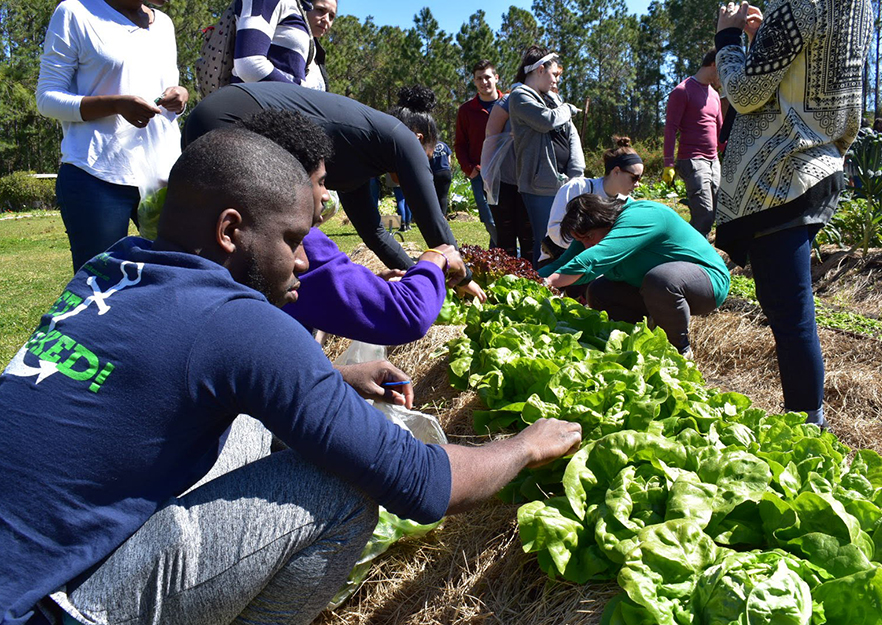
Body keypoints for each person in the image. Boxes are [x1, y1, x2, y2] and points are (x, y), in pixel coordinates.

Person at [0, 128, 581, 625]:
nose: (304, 261)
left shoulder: (114, 267)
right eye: (293, 239)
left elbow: (162, 376)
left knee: (250, 427)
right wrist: (526, 446)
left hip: (26, 561)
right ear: (231, 231)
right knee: (345, 492)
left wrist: (331, 380)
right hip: (37, 607)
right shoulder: (239, 322)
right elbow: (417, 482)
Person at [714, 0, 872, 426]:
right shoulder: (858, 8)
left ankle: (808, 429)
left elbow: (745, 95)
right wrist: (761, 38)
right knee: (791, 310)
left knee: (791, 316)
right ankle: (808, 422)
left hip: (779, 180)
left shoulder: (800, 5)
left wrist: (727, 39)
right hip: (819, 168)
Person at [182, 82, 485, 300]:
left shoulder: (362, 160)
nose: (425, 167)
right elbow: (433, 222)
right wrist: (462, 277)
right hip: (230, 118)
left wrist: (418, 278)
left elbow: (375, 234)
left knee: (228, 248)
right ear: (419, 140)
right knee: (252, 242)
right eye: (428, 158)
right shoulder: (401, 138)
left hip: (212, 117)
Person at [237, 109, 459, 345]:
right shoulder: (302, 243)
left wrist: (363, 291)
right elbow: (407, 316)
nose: (325, 196)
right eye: (321, 182)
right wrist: (434, 260)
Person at [36, 0, 187, 273]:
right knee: (100, 285)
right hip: (97, 175)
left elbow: (164, 89)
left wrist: (180, 97)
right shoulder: (76, 12)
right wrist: (115, 104)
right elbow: (47, 99)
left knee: (174, 275)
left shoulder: (163, 23)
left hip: (161, 178)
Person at [539, 194, 730, 357]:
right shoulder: (591, 233)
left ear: (606, 220)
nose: (587, 246)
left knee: (661, 280)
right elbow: (561, 264)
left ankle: (680, 351)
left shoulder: (642, 215)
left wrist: (549, 282)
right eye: (581, 241)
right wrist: (525, 279)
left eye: (589, 238)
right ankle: (631, 348)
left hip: (706, 283)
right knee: (600, 290)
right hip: (650, 289)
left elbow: (595, 257)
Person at [509, 46, 585, 266]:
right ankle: (540, 285)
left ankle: (560, 285)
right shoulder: (519, 96)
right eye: (554, 74)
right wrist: (568, 108)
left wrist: (575, 172)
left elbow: (571, 134)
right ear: (540, 69)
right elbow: (546, 121)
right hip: (539, 185)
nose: (555, 81)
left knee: (566, 238)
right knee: (546, 241)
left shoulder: (552, 100)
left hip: (564, 182)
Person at [542, 136, 643, 262]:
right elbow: (554, 230)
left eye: (640, 179)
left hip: (598, 264)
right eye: (634, 178)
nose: (638, 184)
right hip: (559, 260)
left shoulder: (628, 204)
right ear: (616, 171)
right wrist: (590, 247)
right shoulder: (577, 187)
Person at [661, 48, 723, 236]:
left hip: (714, 162)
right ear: (713, 64)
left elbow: (720, 131)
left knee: (715, 212)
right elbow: (670, 128)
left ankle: (695, 252)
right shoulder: (682, 91)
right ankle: (689, 256)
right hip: (693, 160)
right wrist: (668, 163)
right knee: (703, 214)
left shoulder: (714, 95)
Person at [481, 79, 533, 260]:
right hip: (505, 181)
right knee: (505, 236)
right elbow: (490, 140)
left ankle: (531, 277)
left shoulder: (539, 106)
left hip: (531, 183)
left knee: (530, 237)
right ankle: (506, 276)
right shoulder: (505, 105)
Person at [455, 60, 503, 248]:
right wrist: (471, 170)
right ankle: (506, 256)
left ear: (496, 78)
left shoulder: (509, 104)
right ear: (474, 81)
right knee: (490, 220)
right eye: (479, 78)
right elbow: (460, 144)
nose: (484, 82)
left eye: (488, 77)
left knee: (506, 221)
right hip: (480, 175)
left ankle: (499, 258)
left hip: (507, 174)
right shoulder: (467, 110)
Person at [232, 0, 314, 87]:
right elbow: (248, 63)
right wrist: (299, 96)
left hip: (275, 98)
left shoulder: (298, 6)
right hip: (254, 98)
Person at [303, 0, 337, 91]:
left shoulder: (319, 55)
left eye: (331, 16)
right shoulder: (281, 41)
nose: (326, 20)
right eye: (320, 10)